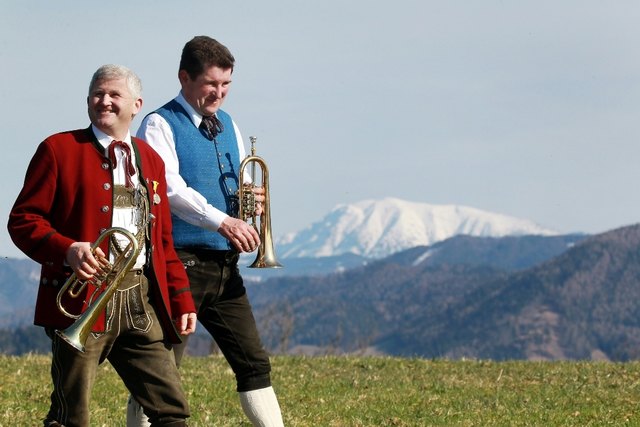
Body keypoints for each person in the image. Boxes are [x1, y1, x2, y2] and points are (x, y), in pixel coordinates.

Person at [7, 64, 197, 427]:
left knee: (172, 411)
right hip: (83, 300)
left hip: (139, 299)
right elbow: (22, 221)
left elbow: (163, 242)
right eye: (97, 94)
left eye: (114, 95)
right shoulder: (58, 149)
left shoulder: (151, 160)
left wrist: (181, 298)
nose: (104, 101)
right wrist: (67, 249)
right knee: (69, 414)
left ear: (136, 104)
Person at [127, 36, 284, 427]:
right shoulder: (160, 123)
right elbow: (169, 189)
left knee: (254, 364)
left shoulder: (229, 123)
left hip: (224, 267)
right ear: (185, 77)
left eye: (226, 84)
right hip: (179, 265)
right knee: (158, 374)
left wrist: (250, 203)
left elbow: (237, 179)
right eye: (211, 84)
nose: (220, 93)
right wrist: (223, 221)